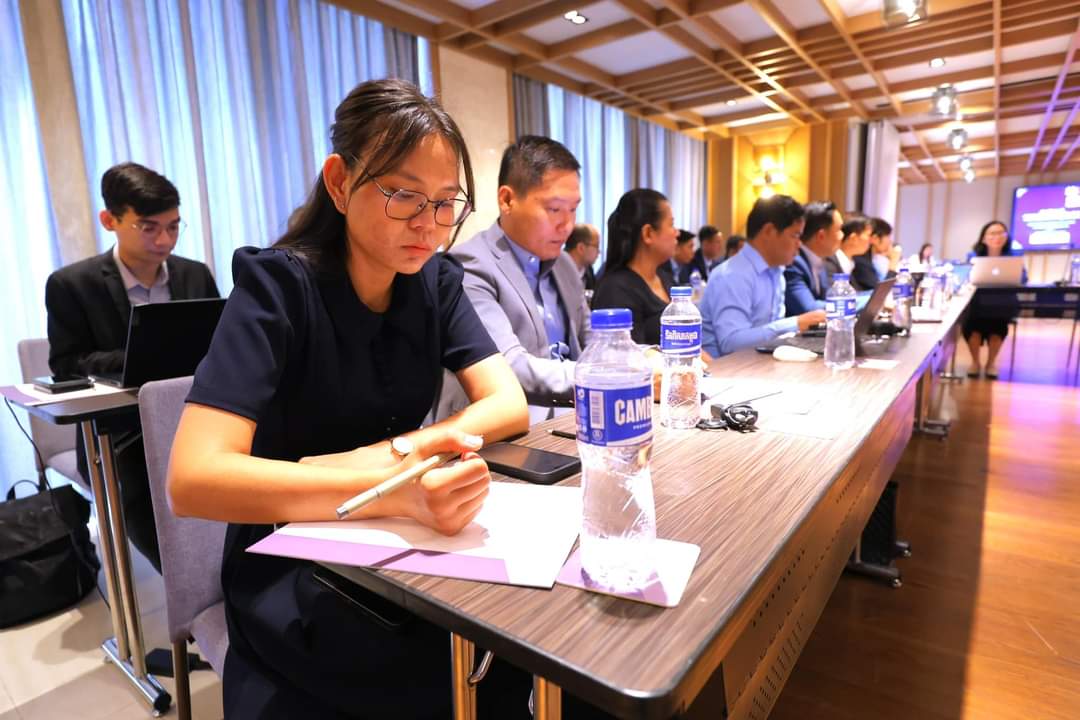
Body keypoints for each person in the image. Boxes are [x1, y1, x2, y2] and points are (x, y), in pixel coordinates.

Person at [166, 79, 552, 719]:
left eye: (445, 203)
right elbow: (193, 479)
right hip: (294, 562)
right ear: (340, 183)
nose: (428, 225)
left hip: (402, 539)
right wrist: (392, 488)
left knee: (522, 642)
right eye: (403, 195)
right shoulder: (276, 287)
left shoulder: (435, 280)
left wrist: (397, 456)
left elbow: (506, 403)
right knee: (442, 674)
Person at [45, 161, 219, 572]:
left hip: (196, 419)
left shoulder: (194, 274)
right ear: (110, 221)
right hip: (120, 435)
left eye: (173, 227)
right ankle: (194, 587)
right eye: (149, 227)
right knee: (147, 502)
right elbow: (65, 364)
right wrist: (142, 356)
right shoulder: (73, 284)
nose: (164, 240)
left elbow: (220, 343)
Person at [443, 135, 589, 425]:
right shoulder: (469, 265)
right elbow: (509, 366)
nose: (567, 225)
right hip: (509, 431)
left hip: (571, 418)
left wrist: (640, 358)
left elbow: (592, 336)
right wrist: (604, 376)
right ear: (507, 200)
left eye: (573, 209)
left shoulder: (564, 265)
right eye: (554, 209)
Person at [700, 195, 827, 357]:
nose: (799, 244)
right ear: (769, 231)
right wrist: (796, 323)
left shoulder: (776, 272)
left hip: (759, 364)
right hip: (726, 368)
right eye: (795, 235)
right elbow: (731, 343)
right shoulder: (733, 275)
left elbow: (770, 335)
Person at [590, 189, 677, 345]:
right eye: (671, 224)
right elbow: (626, 354)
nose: (677, 233)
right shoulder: (616, 290)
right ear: (648, 233)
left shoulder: (665, 278)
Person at [963, 220, 1022, 379]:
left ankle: (991, 363)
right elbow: (965, 276)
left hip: (1003, 301)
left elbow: (1022, 277)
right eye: (993, 233)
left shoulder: (1013, 257)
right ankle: (975, 362)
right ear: (983, 238)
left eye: (1001, 233)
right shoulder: (973, 256)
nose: (997, 237)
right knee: (971, 326)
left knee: (998, 327)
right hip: (978, 300)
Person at [784, 201, 843, 316]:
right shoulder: (793, 263)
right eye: (839, 230)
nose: (842, 235)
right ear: (821, 236)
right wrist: (853, 303)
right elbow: (809, 309)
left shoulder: (819, 259)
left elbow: (829, 299)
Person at [824, 213, 872, 288]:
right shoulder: (829, 262)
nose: (871, 241)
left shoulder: (851, 262)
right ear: (853, 238)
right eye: (868, 235)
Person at [852, 217, 895, 290]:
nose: (890, 241)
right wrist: (893, 261)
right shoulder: (860, 260)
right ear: (875, 239)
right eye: (887, 236)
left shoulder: (872, 257)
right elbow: (880, 291)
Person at [564, 223, 599, 291]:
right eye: (596, 246)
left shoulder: (588, 270)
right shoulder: (557, 270)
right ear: (581, 248)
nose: (599, 252)